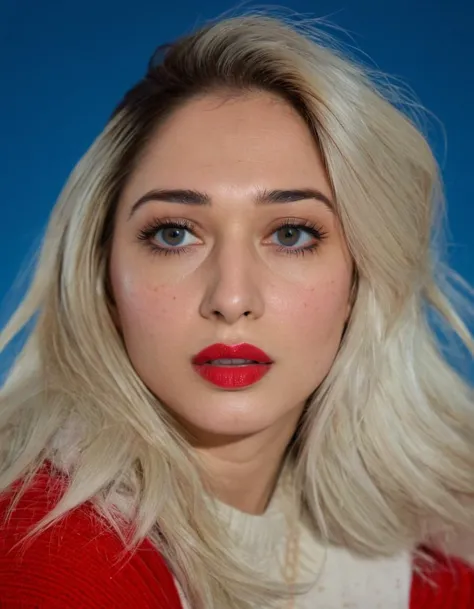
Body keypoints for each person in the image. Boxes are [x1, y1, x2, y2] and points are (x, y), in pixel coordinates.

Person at [0, 12, 473, 609]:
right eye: (174, 234)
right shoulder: (51, 557)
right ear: (104, 278)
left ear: (359, 277)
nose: (231, 298)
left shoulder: (432, 576)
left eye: (293, 234)